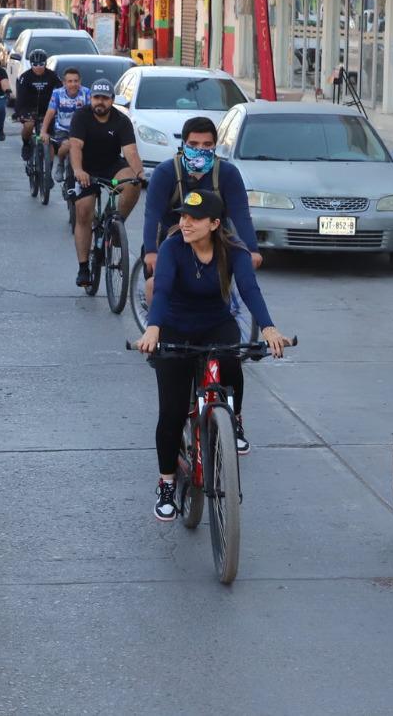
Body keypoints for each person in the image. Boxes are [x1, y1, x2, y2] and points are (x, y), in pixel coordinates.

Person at [137, 190, 289, 518]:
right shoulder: (172, 247)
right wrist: (153, 327)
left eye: (194, 219)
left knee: (232, 357)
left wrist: (268, 328)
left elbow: (249, 289)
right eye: (183, 217)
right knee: (172, 411)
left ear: (215, 224)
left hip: (215, 325)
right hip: (174, 329)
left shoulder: (233, 250)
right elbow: (161, 290)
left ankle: (233, 418)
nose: (185, 223)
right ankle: (166, 483)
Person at [141, 116, 261, 312]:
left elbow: (240, 215)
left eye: (207, 145)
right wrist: (151, 252)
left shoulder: (228, 174)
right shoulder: (165, 173)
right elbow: (152, 215)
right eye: (193, 144)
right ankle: (157, 333)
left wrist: (252, 249)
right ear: (183, 145)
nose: (200, 149)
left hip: (214, 239)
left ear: (215, 146)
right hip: (172, 238)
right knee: (157, 286)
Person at [67, 78, 143, 288]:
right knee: (84, 210)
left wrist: (139, 173)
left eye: (105, 98)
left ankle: (117, 224)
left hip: (111, 166)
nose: (100, 102)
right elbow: (75, 147)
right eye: (96, 97)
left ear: (112, 100)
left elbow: (130, 152)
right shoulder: (81, 117)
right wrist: (78, 170)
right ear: (90, 98)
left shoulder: (121, 120)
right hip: (85, 168)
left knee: (132, 183)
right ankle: (84, 267)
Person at [40, 67, 90, 174]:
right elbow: (50, 113)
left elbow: (92, 113)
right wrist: (43, 131)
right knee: (68, 145)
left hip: (80, 129)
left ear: (80, 81)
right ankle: (61, 162)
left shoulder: (86, 92)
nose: (73, 84)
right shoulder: (57, 93)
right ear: (64, 83)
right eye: (70, 81)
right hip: (62, 128)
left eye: (76, 81)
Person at [15, 49, 58, 162]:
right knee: (29, 125)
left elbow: (60, 92)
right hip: (29, 107)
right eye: (35, 64)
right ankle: (26, 145)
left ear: (45, 63)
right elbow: (20, 97)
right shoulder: (25, 77)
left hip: (47, 109)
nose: (38, 67)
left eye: (41, 64)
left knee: (50, 139)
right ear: (31, 64)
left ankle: (49, 172)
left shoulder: (52, 76)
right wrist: (19, 112)